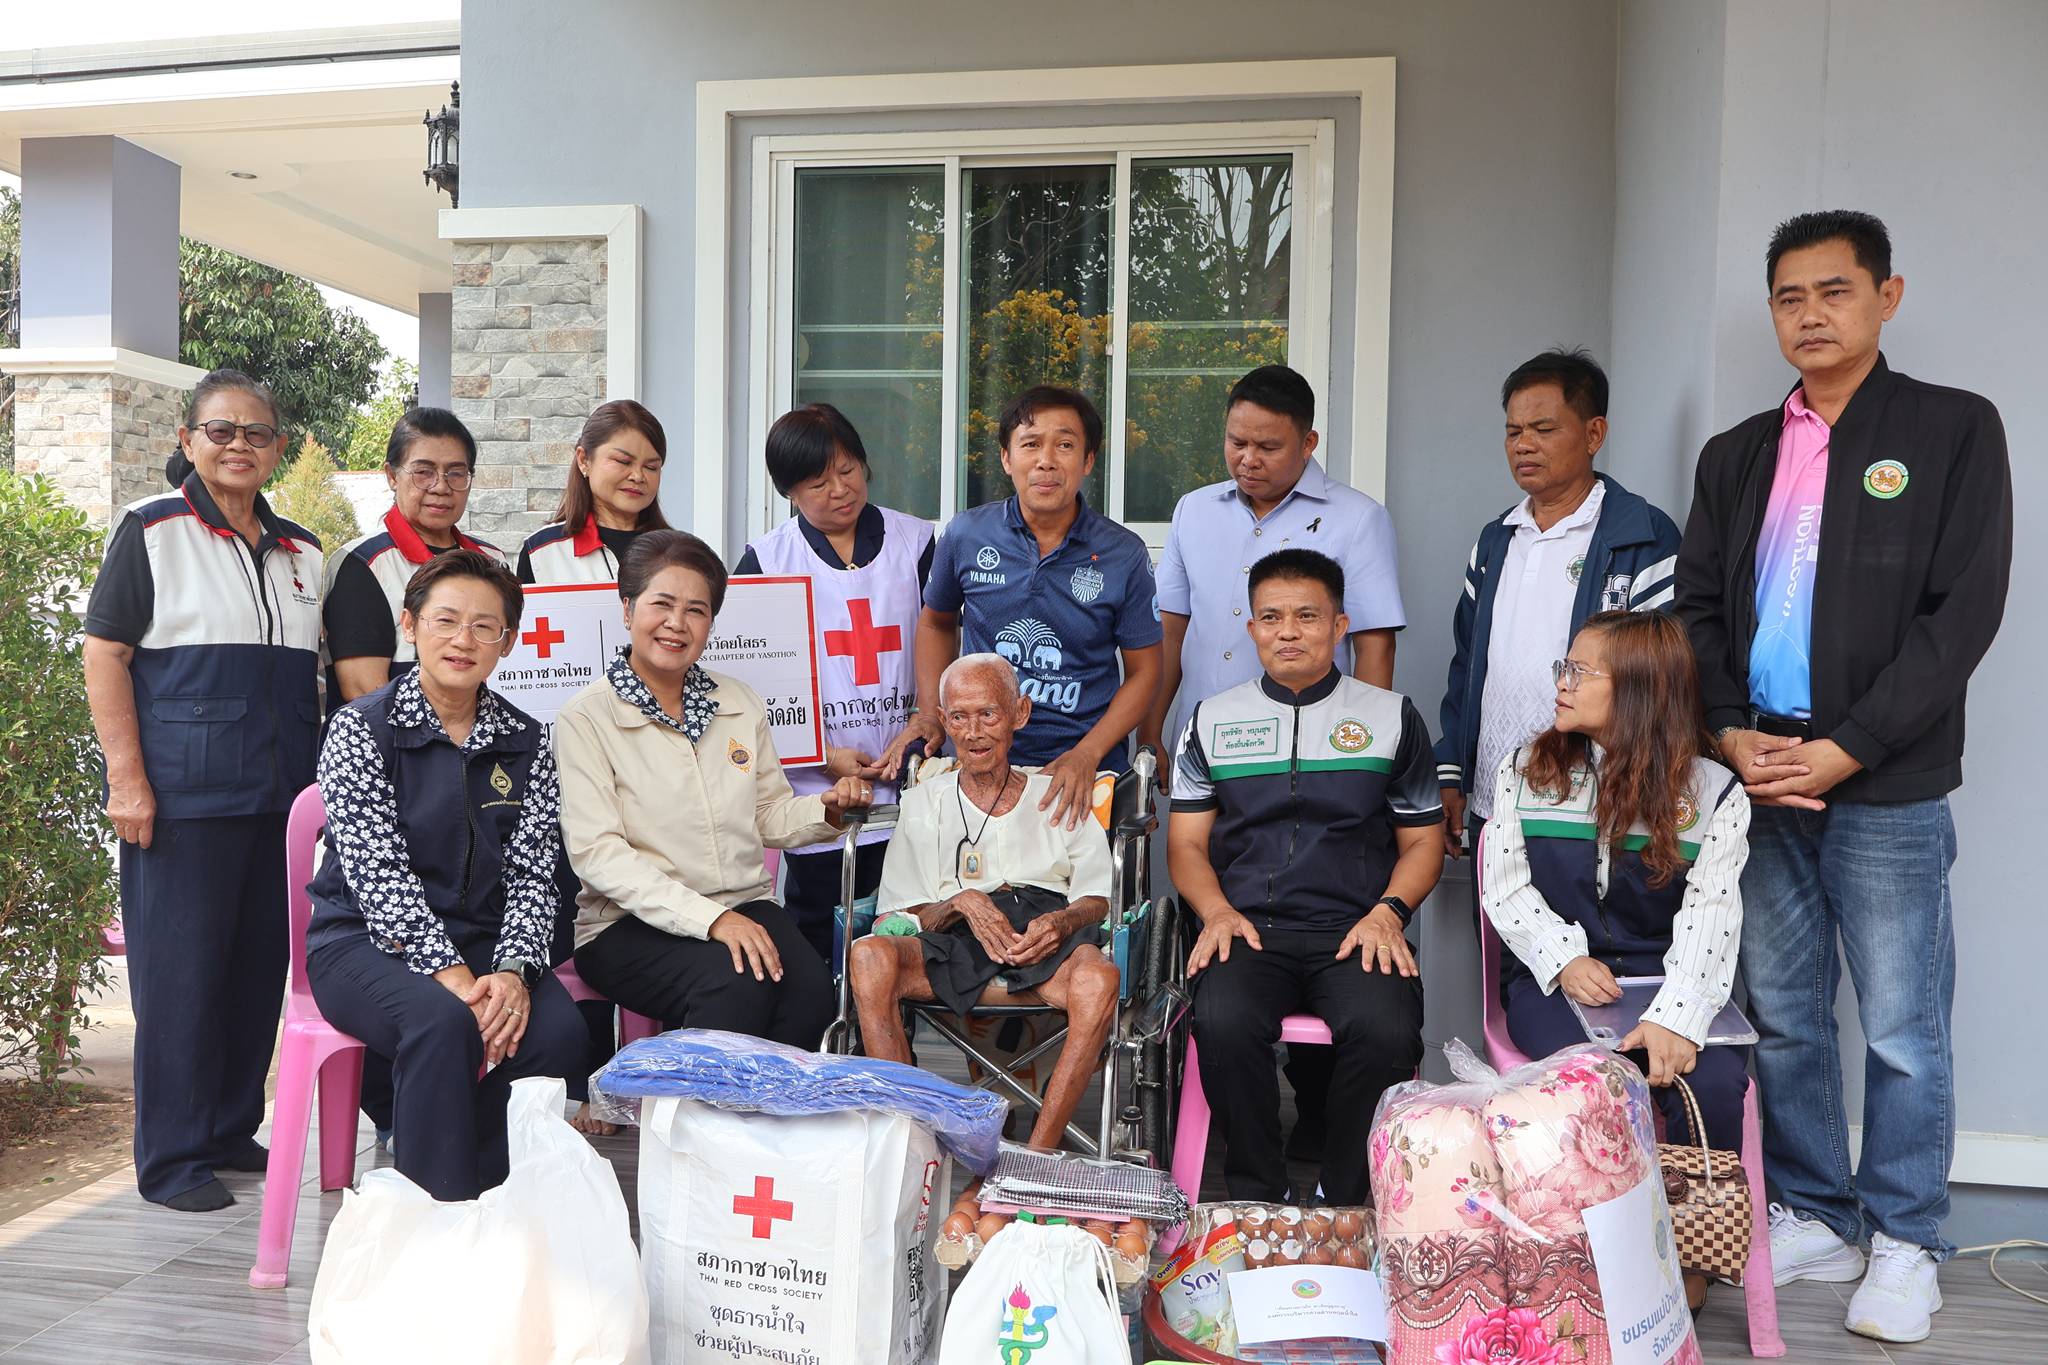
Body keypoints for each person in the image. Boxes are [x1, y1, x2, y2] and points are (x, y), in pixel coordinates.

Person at [1674, 209, 2011, 1344]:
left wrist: (1849, 744)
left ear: (1886, 296)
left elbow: (1959, 615)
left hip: (1883, 777)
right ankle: (1814, 1210)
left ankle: (1907, 1236)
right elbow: (1697, 611)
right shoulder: (1735, 454)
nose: (1808, 315)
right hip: (1757, 771)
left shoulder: (1950, 429)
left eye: (1831, 291)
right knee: (1782, 1016)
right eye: (1787, 298)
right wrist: (1727, 735)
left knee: (1903, 1025)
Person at [1146, 362, 1408, 1161]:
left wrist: (1365, 748)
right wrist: (1157, 729)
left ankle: (1326, 1134)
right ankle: (1240, 1135)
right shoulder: (1195, 512)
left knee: (1338, 963)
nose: (1247, 458)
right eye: (1235, 441)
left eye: (1268, 445)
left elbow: (1373, 641)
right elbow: (1170, 628)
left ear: (1309, 442)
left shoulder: (1356, 518)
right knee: (1224, 938)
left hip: (1328, 760)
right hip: (1217, 757)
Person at [82, 369, 323, 1212]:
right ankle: (173, 1157)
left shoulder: (304, 552)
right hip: (182, 804)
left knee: (256, 975)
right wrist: (127, 780)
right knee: (180, 982)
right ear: (187, 441)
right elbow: (105, 652)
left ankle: (226, 1129)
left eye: (256, 433)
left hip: (279, 802)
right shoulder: (151, 531)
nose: (239, 446)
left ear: (278, 449)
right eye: (220, 431)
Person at [1479, 611, 1749, 1311]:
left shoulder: (1715, 793)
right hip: (1560, 979)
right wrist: (1564, 957)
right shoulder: (1526, 770)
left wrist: (1677, 1019)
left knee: (1713, 1083)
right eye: (1562, 669)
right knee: (1590, 1080)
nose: (1561, 684)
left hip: (1673, 977)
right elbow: (1504, 888)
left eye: (1580, 671)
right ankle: (1589, 1251)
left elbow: (1712, 917)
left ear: (1637, 689)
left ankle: (1690, 1259)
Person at [305, 551, 583, 1201]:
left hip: (482, 936)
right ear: (410, 623)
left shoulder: (528, 740)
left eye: (486, 626)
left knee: (557, 1032)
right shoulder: (361, 729)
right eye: (447, 620)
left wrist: (513, 972)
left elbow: (535, 873)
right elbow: (378, 878)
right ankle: (435, 1213)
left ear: (507, 642)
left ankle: (493, 1194)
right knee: (442, 1022)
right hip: (360, 941)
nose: (464, 639)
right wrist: (454, 977)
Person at [1167, 549, 1442, 1204]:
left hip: (1357, 927)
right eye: (1271, 617)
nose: (1287, 631)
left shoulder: (1391, 716)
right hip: (1247, 928)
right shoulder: (1211, 718)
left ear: (1339, 625)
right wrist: (1216, 911)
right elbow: (1184, 845)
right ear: (1253, 628)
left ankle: (1341, 1202)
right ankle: (1260, 1196)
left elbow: (1425, 841)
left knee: (1386, 1032)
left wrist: (1388, 911)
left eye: (1306, 616)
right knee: (1225, 1023)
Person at [555, 531, 872, 1048]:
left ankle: (767, 1121)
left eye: (696, 610)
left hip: (743, 904)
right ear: (628, 608)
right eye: (662, 604)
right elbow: (599, 856)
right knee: (734, 980)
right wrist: (713, 920)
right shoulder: (587, 717)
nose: (677, 624)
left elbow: (767, 813)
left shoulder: (739, 702)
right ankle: (690, 1121)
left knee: (811, 990)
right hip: (625, 923)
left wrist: (828, 810)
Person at [850, 654, 1121, 1149]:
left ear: (1020, 713)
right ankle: (911, 1142)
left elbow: (1097, 898)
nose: (973, 732)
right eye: (958, 717)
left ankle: (1035, 1157)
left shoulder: (1057, 793)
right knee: (868, 955)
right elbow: (897, 916)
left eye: (988, 714)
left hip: (1045, 935)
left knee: (1098, 976)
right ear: (944, 718)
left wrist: (1062, 922)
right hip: (952, 941)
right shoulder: (924, 803)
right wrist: (961, 903)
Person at [1438, 349, 1683, 869]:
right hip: (1494, 802)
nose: (1523, 444)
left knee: (1588, 948)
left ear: (1594, 434)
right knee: (1500, 948)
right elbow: (1466, 667)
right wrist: (1452, 771)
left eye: (1544, 429)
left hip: (1597, 810)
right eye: (1512, 431)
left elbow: (1662, 684)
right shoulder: (1495, 541)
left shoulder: (1642, 537)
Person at [882, 386, 1161, 829]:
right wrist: (931, 714)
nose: (1046, 460)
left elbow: (1145, 671)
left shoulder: (1122, 553)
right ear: (1007, 458)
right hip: (977, 762)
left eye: (1065, 445)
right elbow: (936, 623)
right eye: (1030, 444)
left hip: (1082, 773)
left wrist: (1086, 754)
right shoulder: (967, 534)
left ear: (1088, 461)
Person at [733, 403, 935, 966]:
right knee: (819, 939)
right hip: (816, 787)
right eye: (817, 483)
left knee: (904, 932)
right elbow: (750, 683)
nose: (839, 490)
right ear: (789, 492)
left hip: (911, 774)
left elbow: (946, 643)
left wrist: (926, 721)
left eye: (848, 471)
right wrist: (823, 754)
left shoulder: (917, 543)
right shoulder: (767, 561)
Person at [324, 407, 508, 707]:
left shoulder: (492, 561)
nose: (441, 487)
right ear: (391, 475)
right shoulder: (363, 564)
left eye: (456, 473)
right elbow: (364, 694)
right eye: (424, 472)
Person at [515, 399, 671, 585]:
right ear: (584, 460)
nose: (638, 476)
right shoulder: (542, 552)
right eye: (623, 461)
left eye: (651, 467)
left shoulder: (679, 553)